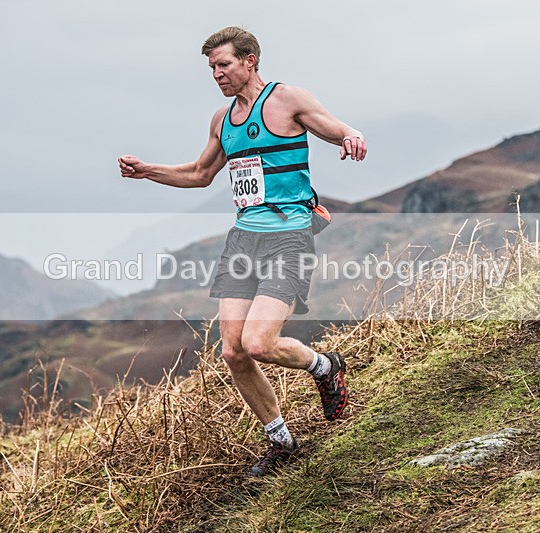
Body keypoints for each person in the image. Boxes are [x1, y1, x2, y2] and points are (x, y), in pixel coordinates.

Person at [118, 26, 367, 477]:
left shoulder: (286, 99)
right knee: (233, 352)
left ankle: (324, 366)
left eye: (223, 64)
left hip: (289, 235)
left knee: (258, 343)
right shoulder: (221, 119)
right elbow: (199, 173)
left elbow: (334, 128)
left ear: (250, 60)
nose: (216, 74)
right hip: (243, 240)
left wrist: (351, 135)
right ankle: (281, 441)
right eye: (211, 67)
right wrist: (147, 171)